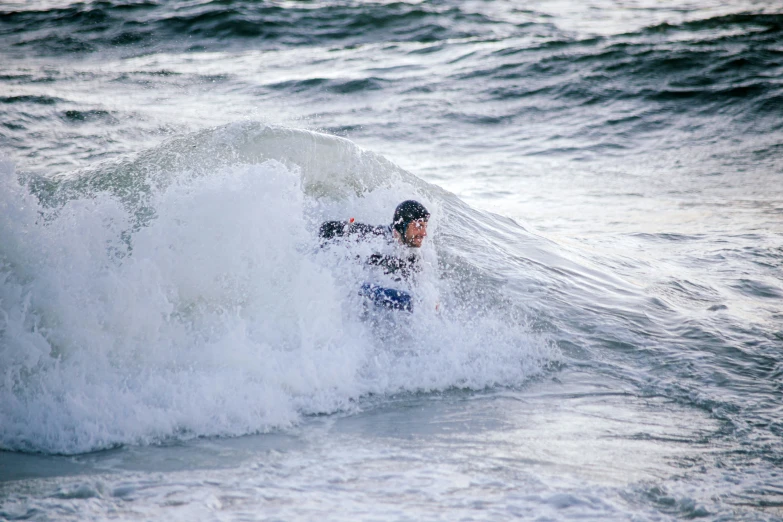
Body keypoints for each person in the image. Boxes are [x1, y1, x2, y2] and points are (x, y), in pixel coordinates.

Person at [319, 200, 430, 311]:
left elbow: (417, 289)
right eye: (419, 226)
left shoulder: (413, 256)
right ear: (402, 225)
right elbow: (326, 228)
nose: (424, 233)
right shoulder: (375, 236)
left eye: (425, 226)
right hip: (345, 289)